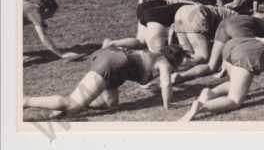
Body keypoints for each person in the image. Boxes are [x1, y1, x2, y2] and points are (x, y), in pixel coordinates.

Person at [23, 45, 185, 118]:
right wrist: (167, 106)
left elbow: (115, 43)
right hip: (113, 66)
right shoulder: (164, 64)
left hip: (114, 65)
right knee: (73, 104)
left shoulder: (152, 53)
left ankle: (62, 107)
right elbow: (167, 84)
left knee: (110, 104)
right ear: (175, 60)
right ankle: (25, 100)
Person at [172, 15, 264, 85]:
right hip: (238, 25)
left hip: (225, 23)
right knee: (245, 57)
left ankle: (181, 76)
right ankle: (233, 84)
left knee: (211, 65)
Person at [102, 0, 192, 53]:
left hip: (144, 8)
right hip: (154, 13)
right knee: (157, 54)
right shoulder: (196, 6)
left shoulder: (185, 1)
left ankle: (112, 43)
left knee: (141, 42)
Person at [171, 4, 239, 64]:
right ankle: (175, 67)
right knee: (203, 56)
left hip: (182, 11)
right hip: (196, 14)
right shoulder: (237, 18)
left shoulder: (223, 11)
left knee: (188, 53)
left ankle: (171, 65)